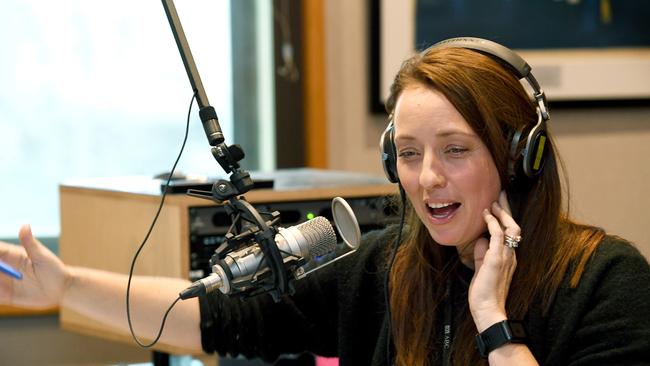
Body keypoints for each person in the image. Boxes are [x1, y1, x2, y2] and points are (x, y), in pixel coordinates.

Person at [1, 37, 649, 366]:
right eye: (410, 152)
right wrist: (65, 285)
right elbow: (219, 319)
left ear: (518, 154)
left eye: (455, 150)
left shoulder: (607, 284)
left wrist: (494, 321)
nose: (425, 179)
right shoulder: (383, 266)